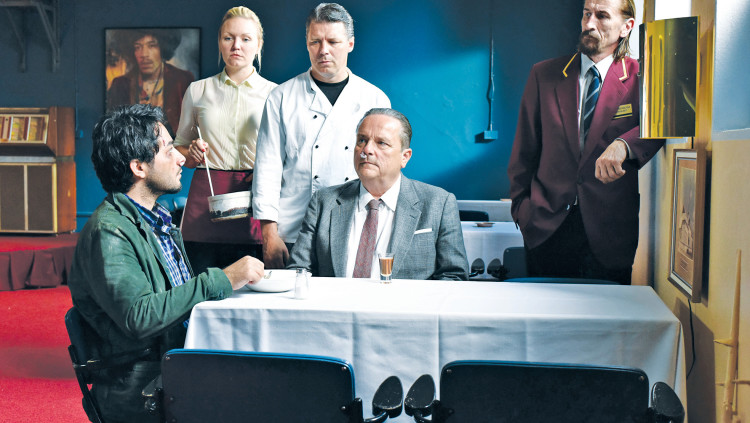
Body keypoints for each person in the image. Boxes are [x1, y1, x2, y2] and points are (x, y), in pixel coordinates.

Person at [68, 104, 264, 422]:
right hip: (144, 387)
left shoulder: (156, 220)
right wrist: (222, 279)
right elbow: (140, 316)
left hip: (172, 366)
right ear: (139, 167)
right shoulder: (109, 232)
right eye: (169, 150)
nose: (181, 159)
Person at [507, 0, 664, 285]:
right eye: (586, 14)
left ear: (626, 27)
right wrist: (522, 211)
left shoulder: (642, 76)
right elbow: (524, 151)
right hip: (545, 228)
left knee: (607, 313)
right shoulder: (544, 74)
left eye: (602, 16)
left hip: (610, 233)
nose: (589, 24)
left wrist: (623, 144)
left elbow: (659, 126)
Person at [252, 2, 391, 269]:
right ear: (307, 44)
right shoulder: (281, 97)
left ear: (350, 44)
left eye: (333, 41)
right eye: (315, 42)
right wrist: (268, 234)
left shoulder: (375, 99)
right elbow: (267, 169)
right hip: (292, 231)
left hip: (356, 229)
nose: (323, 50)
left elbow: (384, 172)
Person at [288, 108, 469, 281]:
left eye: (381, 143)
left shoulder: (439, 203)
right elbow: (298, 271)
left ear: (404, 157)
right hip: (335, 302)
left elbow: (454, 277)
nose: (366, 150)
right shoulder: (323, 202)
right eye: (362, 140)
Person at [174, 7, 277, 273]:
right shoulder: (197, 90)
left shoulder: (276, 95)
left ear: (259, 45)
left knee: (252, 284)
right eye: (228, 38)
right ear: (219, 42)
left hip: (254, 198)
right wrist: (191, 152)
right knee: (199, 284)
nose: (236, 46)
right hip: (205, 198)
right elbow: (179, 151)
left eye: (245, 39)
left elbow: (286, 157)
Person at [107, 29, 195, 133]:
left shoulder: (183, 80)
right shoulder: (120, 84)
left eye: (152, 46)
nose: (144, 54)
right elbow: (113, 126)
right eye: (137, 47)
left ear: (163, 48)